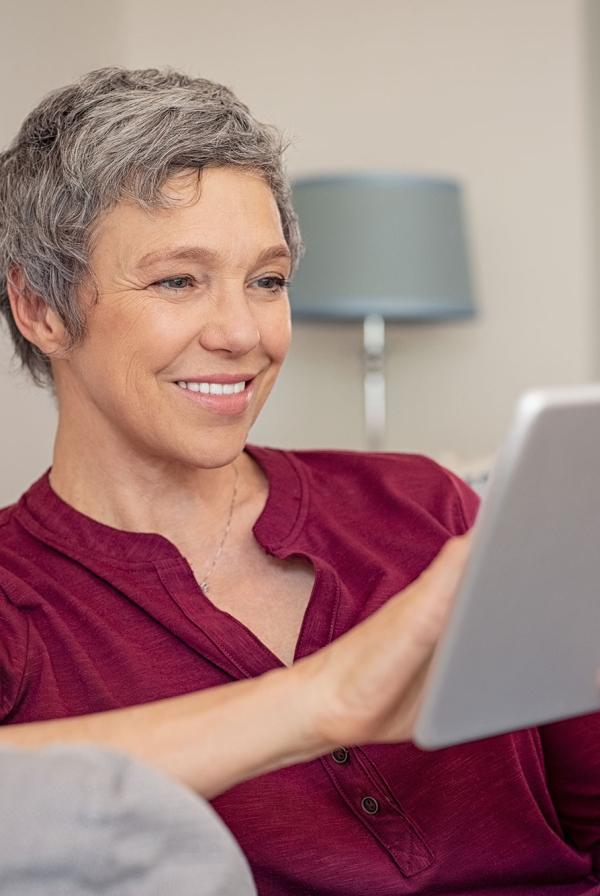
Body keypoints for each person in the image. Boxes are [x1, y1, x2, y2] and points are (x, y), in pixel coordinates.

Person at [0, 67, 598, 895]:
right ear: (41, 309)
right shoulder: (14, 597)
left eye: (267, 280)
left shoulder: (428, 506)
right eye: (178, 280)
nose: (244, 332)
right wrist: (320, 700)